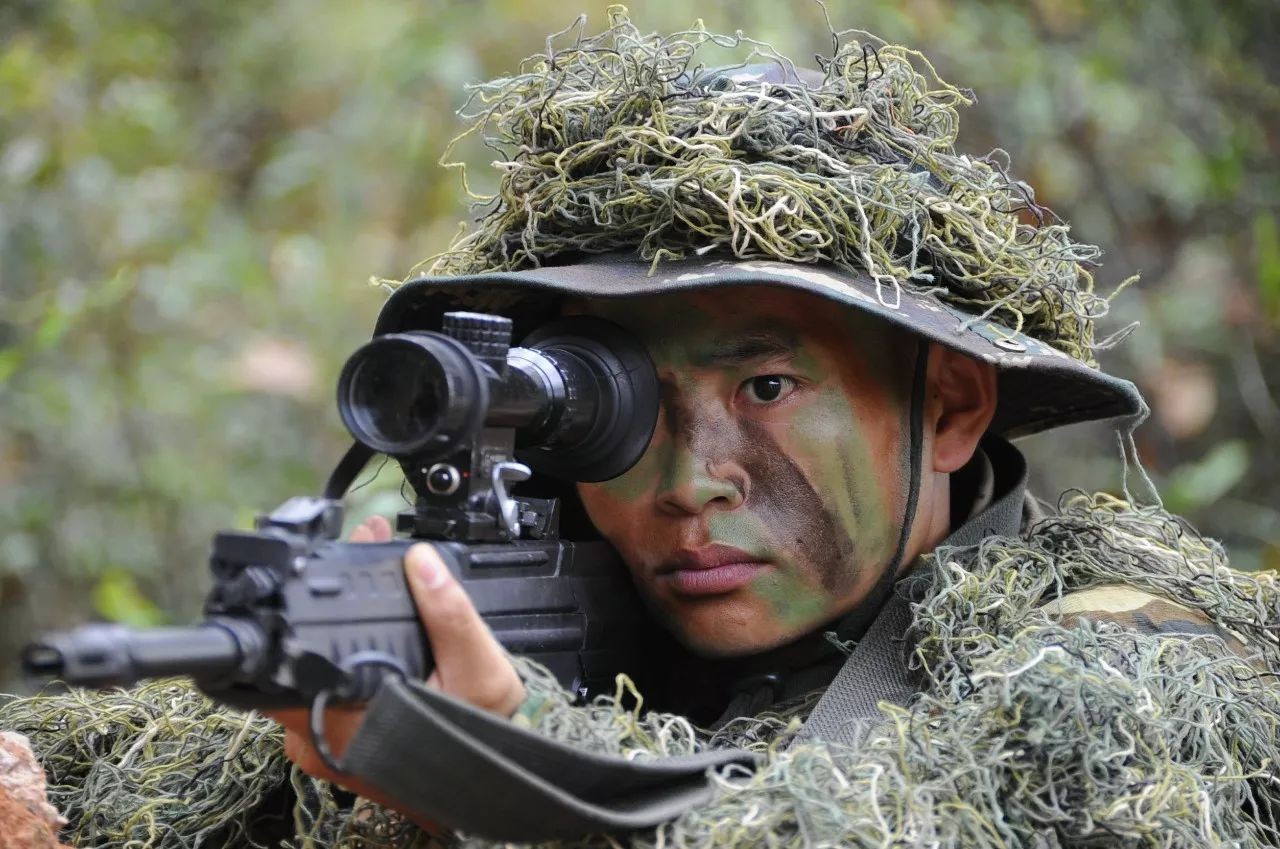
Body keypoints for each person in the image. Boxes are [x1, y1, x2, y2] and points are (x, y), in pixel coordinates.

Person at [265, 13, 1280, 847]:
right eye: (624, 404)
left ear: (950, 406)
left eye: (765, 387)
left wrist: (516, 774)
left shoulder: (1123, 661)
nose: (689, 481)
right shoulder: (594, 643)